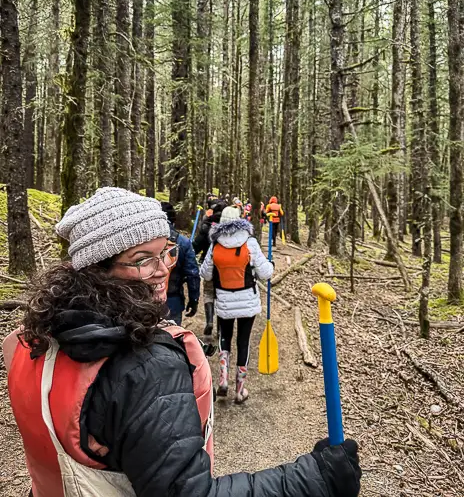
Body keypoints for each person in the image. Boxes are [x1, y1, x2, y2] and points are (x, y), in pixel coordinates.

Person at [2, 187, 361, 497]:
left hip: (222, 305)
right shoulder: (149, 366)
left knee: (224, 339)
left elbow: (202, 269)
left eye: (166, 252)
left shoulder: (35, 338)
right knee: (241, 340)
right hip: (247, 304)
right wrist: (315, 479)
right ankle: (237, 377)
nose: (162, 269)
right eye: (142, 260)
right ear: (96, 266)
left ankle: (223, 367)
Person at [199, 206, 271, 404]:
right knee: (244, 340)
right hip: (247, 299)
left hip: (224, 299)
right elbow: (265, 273)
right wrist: (270, 265)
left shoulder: (215, 245)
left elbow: (205, 274)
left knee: (225, 337)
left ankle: (223, 379)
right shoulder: (251, 243)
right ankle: (240, 390)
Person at [161, 202, 200, 326]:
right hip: (173, 301)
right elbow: (192, 274)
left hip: (144, 301)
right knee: (173, 338)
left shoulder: (143, 240)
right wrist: (194, 299)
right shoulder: (183, 242)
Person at [192, 200, 227, 336]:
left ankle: (209, 321)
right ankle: (220, 327)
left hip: (208, 266)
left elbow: (195, 247)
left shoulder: (206, 226)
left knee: (208, 293)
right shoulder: (228, 229)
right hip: (224, 268)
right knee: (221, 296)